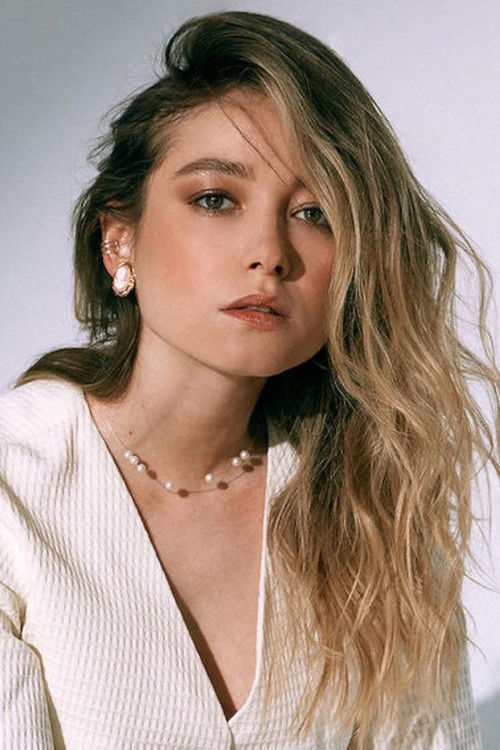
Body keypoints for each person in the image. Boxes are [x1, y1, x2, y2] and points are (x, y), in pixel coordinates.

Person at [0, 10, 497, 749]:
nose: (269, 251)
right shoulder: (16, 492)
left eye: (315, 213)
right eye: (215, 199)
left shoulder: (372, 505)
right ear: (118, 239)